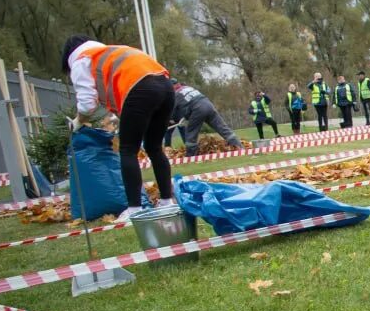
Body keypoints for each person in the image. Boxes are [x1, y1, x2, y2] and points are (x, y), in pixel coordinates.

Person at [61, 35, 175, 222]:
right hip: (165, 86)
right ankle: (166, 203)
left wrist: (78, 121)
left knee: (128, 150)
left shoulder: (82, 60)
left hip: (140, 89)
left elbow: (87, 104)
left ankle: (134, 209)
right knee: (154, 148)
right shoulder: (109, 53)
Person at [172, 79, 241, 156]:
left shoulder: (175, 94)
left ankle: (191, 156)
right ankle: (239, 147)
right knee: (223, 128)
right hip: (208, 105)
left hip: (197, 109)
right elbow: (188, 102)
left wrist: (174, 120)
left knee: (190, 133)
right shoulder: (188, 87)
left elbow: (173, 111)